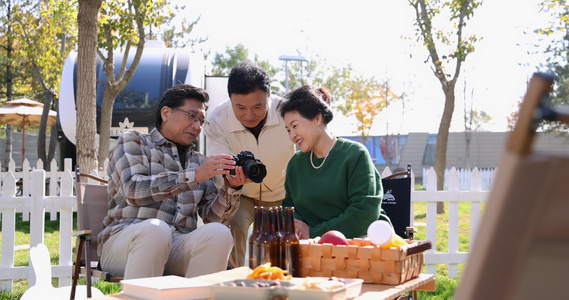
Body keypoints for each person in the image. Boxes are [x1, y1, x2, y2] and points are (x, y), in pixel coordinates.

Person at [98, 84, 247, 279]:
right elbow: (133, 190)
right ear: (166, 113)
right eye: (192, 116)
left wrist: (232, 188)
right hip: (125, 241)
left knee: (218, 234)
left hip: (177, 244)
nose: (197, 126)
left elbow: (212, 218)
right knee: (156, 231)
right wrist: (195, 176)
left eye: (202, 121)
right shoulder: (134, 142)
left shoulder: (199, 161)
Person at [204, 61, 295, 266]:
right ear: (230, 100)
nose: (249, 115)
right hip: (242, 194)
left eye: (257, 106)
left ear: (269, 97)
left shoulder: (287, 112)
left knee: (283, 249)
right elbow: (220, 168)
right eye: (240, 107)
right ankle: (234, 282)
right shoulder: (217, 120)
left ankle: (279, 283)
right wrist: (233, 179)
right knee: (233, 226)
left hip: (283, 192)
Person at [279, 85, 391, 239]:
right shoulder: (296, 164)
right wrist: (297, 227)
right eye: (288, 130)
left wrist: (314, 232)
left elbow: (365, 212)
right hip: (311, 249)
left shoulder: (354, 155)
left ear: (317, 118)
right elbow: (289, 210)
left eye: (295, 126)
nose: (292, 135)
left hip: (361, 244)